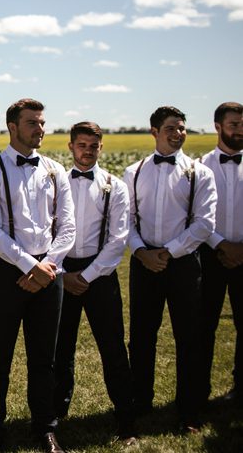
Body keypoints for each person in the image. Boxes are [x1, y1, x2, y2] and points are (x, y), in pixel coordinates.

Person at [0, 98, 75, 453]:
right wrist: (31, 266)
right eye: (32, 122)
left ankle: (45, 428)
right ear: (12, 127)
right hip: (6, 272)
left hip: (50, 270)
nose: (40, 129)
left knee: (44, 357)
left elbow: (68, 227)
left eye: (42, 122)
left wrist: (47, 267)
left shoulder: (56, 170)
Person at [124, 105, 216, 433]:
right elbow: (127, 221)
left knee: (188, 337)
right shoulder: (133, 172)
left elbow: (204, 224)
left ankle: (189, 410)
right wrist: (142, 252)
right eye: (171, 128)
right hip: (143, 264)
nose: (178, 133)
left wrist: (169, 252)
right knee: (142, 336)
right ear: (154, 132)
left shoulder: (199, 172)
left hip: (183, 265)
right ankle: (140, 400)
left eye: (182, 128)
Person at [53, 122, 136, 444]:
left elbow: (118, 240)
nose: (87, 151)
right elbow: (50, 229)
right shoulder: (56, 182)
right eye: (81, 145)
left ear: (101, 148)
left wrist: (85, 277)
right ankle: (56, 415)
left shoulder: (114, 186)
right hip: (61, 270)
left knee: (112, 347)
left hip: (99, 274)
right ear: (71, 147)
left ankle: (126, 420)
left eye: (93, 146)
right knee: (61, 348)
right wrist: (63, 273)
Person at [199, 102, 243, 406]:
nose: (239, 131)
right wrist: (221, 244)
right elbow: (196, 216)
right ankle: (198, 391)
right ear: (218, 126)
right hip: (210, 256)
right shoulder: (200, 167)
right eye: (233, 125)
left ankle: (241, 389)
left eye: (242, 125)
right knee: (203, 326)